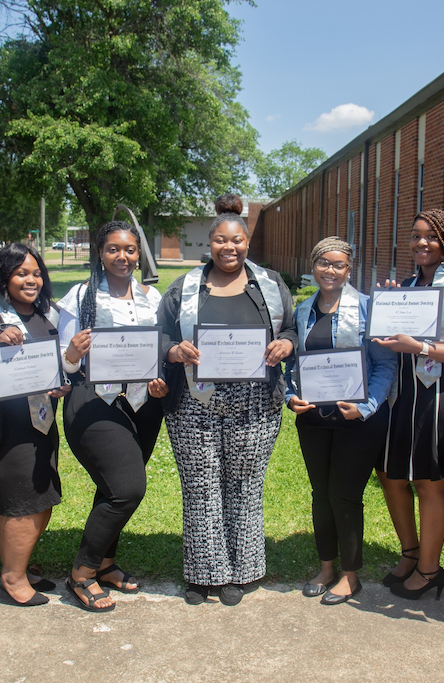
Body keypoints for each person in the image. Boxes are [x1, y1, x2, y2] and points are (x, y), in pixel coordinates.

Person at [159, 212, 297, 606]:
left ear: (247, 242)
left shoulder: (269, 285)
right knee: (201, 486)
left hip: (255, 402)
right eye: (221, 240)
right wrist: (173, 349)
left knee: (244, 484)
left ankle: (241, 570)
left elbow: (290, 328)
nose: (229, 247)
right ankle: (205, 574)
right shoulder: (184, 288)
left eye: (236, 240)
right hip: (195, 400)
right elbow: (161, 335)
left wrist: (286, 343)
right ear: (210, 242)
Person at [58, 221, 168, 612]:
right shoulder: (82, 297)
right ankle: (81, 574)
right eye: (113, 249)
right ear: (100, 254)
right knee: (126, 488)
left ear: (139, 254)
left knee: (111, 489)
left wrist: (161, 382)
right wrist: (72, 353)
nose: (123, 257)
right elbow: (64, 363)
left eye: (130, 250)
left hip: (143, 404)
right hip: (94, 400)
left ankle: (104, 563)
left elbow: (161, 350)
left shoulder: (153, 299)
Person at [374, 208, 444, 601]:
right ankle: (410, 551)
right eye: (416, 236)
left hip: (440, 395)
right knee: (390, 475)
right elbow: (391, 341)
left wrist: (420, 346)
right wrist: (385, 310)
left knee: (429, 483)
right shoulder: (405, 286)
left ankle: (430, 569)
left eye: (431, 237)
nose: (422, 243)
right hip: (404, 396)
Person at [0, 243, 70, 607]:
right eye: (22, 273)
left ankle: (14, 565)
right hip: (1, 429)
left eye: (37, 273)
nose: (31, 280)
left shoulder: (46, 317)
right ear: (4, 277)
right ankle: (13, 577)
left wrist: (60, 384)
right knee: (21, 501)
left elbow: (52, 367)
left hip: (38, 425)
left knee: (33, 498)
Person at [285, 237, 396, 605]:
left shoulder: (367, 310)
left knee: (344, 496)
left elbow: (384, 366)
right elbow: (292, 365)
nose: (330, 271)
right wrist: (290, 395)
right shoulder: (302, 313)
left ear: (349, 270)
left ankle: (351, 576)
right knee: (321, 495)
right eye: (324, 264)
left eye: (339, 265)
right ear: (314, 265)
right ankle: (326, 568)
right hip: (315, 419)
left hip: (358, 420)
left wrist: (366, 407)